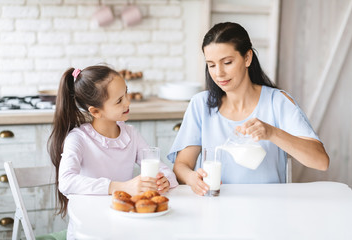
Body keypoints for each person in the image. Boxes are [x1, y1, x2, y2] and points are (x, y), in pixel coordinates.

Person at [167, 22, 329, 196]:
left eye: (227, 62)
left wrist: (272, 133)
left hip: (270, 208)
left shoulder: (277, 102)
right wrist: (192, 179)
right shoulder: (200, 105)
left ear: (247, 58)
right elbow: (181, 166)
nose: (219, 73)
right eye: (211, 65)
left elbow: (321, 161)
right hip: (215, 207)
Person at [48, 65, 178, 239]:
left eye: (126, 93)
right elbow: (66, 182)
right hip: (90, 228)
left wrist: (165, 181)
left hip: (125, 226)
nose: (127, 102)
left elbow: (165, 170)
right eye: (119, 101)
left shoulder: (131, 134)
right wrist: (121, 187)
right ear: (95, 111)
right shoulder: (78, 139)